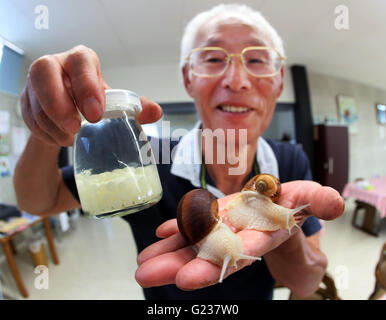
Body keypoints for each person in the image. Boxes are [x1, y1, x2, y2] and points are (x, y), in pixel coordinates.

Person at [13, 4, 344, 300]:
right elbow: (38, 201)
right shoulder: (147, 160)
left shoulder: (291, 160)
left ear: (279, 82)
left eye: (256, 61)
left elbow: (306, 282)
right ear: (189, 79)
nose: (236, 79)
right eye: (214, 59)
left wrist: (281, 229)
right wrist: (50, 121)